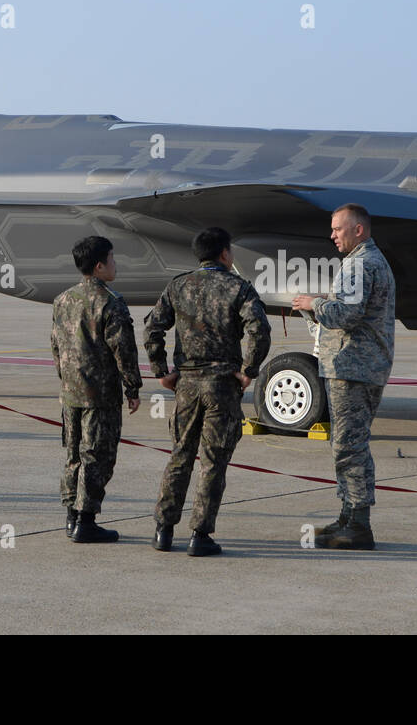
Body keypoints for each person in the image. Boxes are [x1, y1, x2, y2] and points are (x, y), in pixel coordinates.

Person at [145, 227, 271, 556]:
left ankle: (163, 529)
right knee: (213, 462)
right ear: (225, 254)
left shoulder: (178, 286)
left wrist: (161, 372)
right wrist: (249, 371)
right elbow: (259, 328)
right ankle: (200, 535)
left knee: (180, 456)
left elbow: (152, 327)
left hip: (186, 384)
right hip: (220, 385)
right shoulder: (238, 288)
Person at [292, 203, 395, 550]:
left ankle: (359, 525)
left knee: (349, 446)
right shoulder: (370, 261)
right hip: (360, 365)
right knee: (348, 443)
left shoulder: (360, 264)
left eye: (338, 228)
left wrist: (313, 304)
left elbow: (347, 315)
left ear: (358, 230)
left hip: (353, 366)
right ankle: (349, 516)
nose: (332, 235)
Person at [51, 235, 142, 543]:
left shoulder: (62, 300)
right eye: (112, 260)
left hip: (70, 392)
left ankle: (72, 516)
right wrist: (132, 387)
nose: (116, 265)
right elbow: (124, 349)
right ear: (100, 265)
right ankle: (86, 521)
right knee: (97, 455)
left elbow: (56, 345)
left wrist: (64, 378)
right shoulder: (110, 302)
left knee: (73, 453)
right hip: (99, 396)